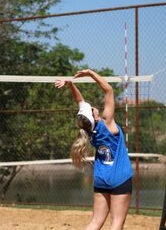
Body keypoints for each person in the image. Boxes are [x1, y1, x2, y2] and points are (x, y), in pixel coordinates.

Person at [55, 69, 133, 230]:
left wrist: (70, 85)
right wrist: (90, 73)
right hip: (119, 177)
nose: (93, 106)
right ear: (95, 116)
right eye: (92, 108)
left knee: (95, 222)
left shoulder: (88, 131)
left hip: (101, 177)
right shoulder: (107, 123)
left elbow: (80, 101)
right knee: (116, 224)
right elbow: (109, 89)